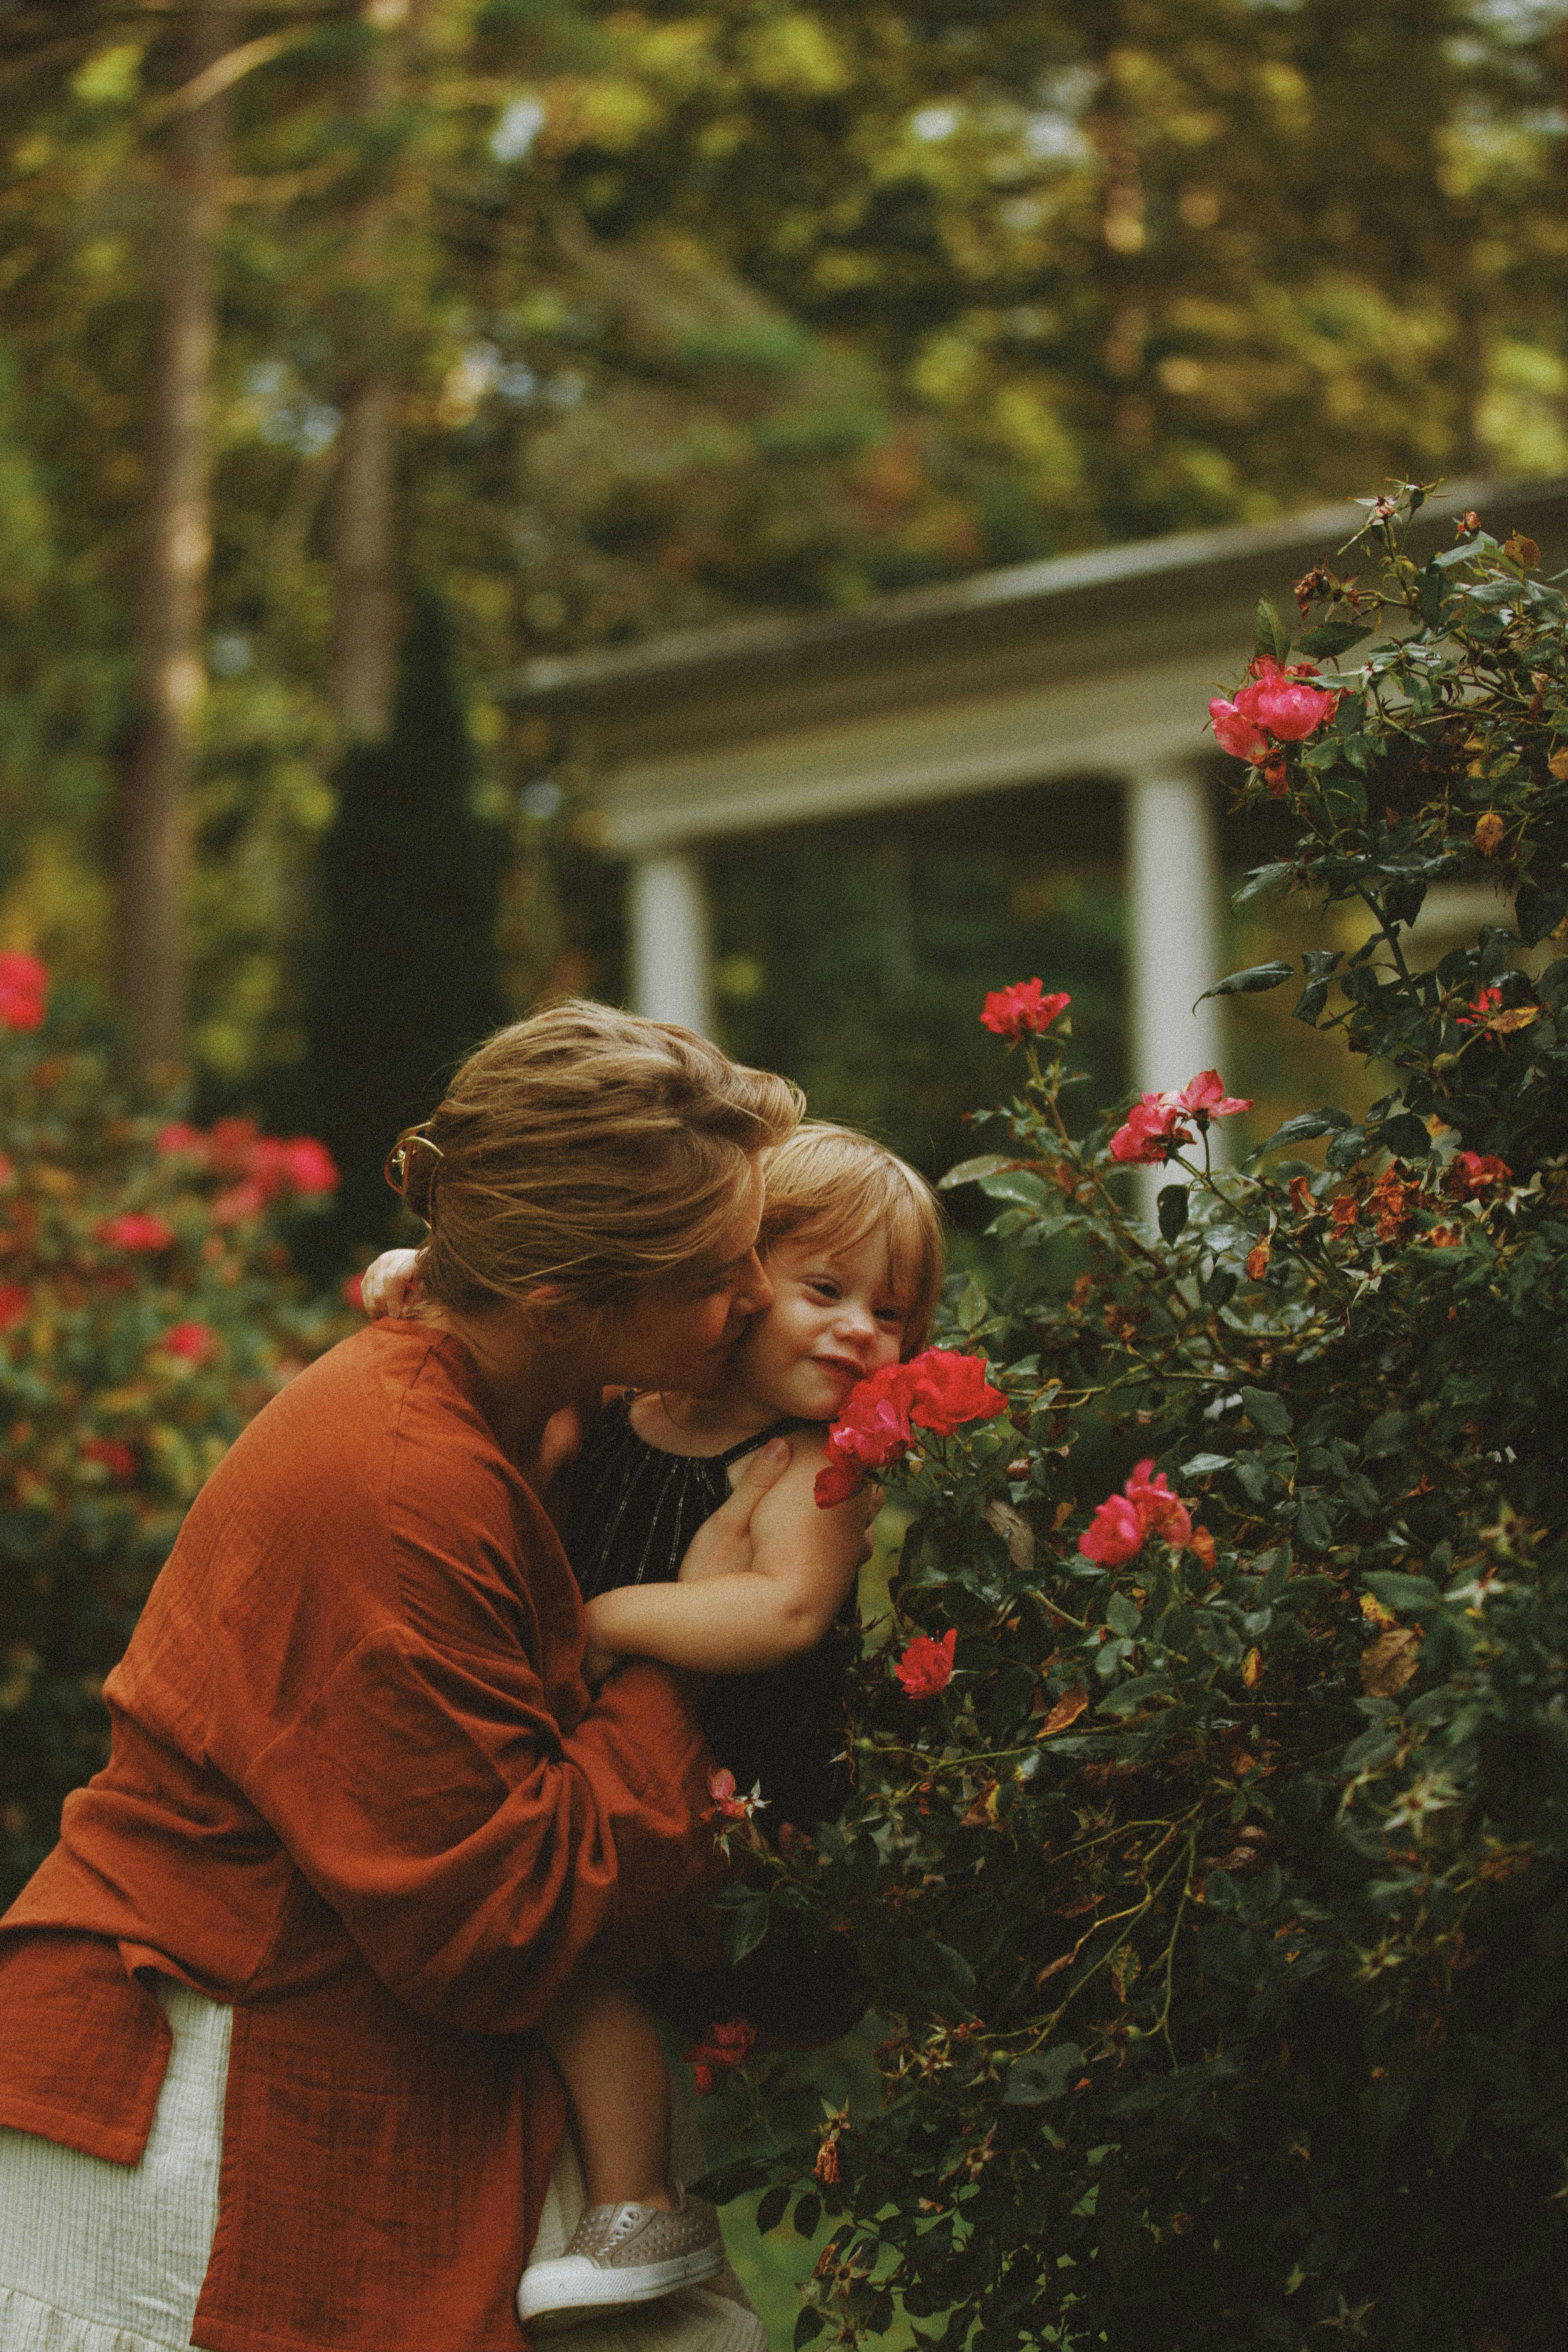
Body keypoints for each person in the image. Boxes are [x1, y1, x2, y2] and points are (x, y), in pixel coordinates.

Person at [0, 1002, 803, 2352]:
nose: (762, 1294)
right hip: (184, 2109)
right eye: (720, 1271)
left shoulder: (512, 1396)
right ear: (565, 1305)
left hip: (315, 2053)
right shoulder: (394, 1481)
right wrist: (691, 1647)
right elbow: (503, 1916)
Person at [362, 1121, 945, 2333]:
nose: (859, 1331)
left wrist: (615, 1613)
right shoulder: (627, 1405)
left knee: (576, 1949)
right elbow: (516, 1347)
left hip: (756, 1808)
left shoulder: (811, 1466)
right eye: (824, 1289)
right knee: (550, 1936)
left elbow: (784, 1611)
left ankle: (640, 2206)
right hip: (625, 1763)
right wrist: (413, 1284)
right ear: (732, 1281)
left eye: (890, 1312)